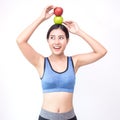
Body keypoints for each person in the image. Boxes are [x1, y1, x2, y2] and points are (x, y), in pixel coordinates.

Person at [16, 5, 107, 120]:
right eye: (52, 37)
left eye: (61, 37)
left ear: (67, 40)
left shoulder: (74, 61)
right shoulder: (40, 62)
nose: (57, 42)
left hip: (70, 118)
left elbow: (101, 51)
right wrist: (41, 18)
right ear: (48, 40)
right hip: (46, 118)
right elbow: (20, 41)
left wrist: (79, 32)